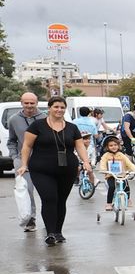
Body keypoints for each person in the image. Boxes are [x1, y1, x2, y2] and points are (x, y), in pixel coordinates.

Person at [15, 95, 94, 246]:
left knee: (61, 200)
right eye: (56, 107)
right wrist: (24, 164)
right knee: (49, 198)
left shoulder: (72, 127)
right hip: (41, 169)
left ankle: (58, 231)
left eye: (62, 107)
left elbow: (79, 146)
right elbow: (26, 146)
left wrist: (86, 162)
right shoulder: (37, 126)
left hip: (67, 169)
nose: (59, 110)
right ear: (49, 108)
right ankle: (50, 233)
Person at [8, 92, 43, 232]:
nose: (29, 106)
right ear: (21, 102)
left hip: (43, 160)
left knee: (47, 191)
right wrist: (15, 156)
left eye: (32, 103)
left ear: (37, 103)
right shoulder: (14, 119)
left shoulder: (45, 118)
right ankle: (30, 219)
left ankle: (50, 219)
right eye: (26, 103)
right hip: (23, 162)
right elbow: (11, 140)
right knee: (27, 190)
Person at [95, 134, 135, 215]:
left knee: (126, 186)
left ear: (118, 146)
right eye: (111, 145)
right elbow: (103, 163)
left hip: (121, 175)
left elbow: (129, 163)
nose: (113, 147)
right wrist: (103, 170)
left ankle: (128, 199)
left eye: (115, 145)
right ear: (107, 147)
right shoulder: (106, 156)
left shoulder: (121, 155)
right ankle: (109, 203)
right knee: (112, 187)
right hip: (111, 175)